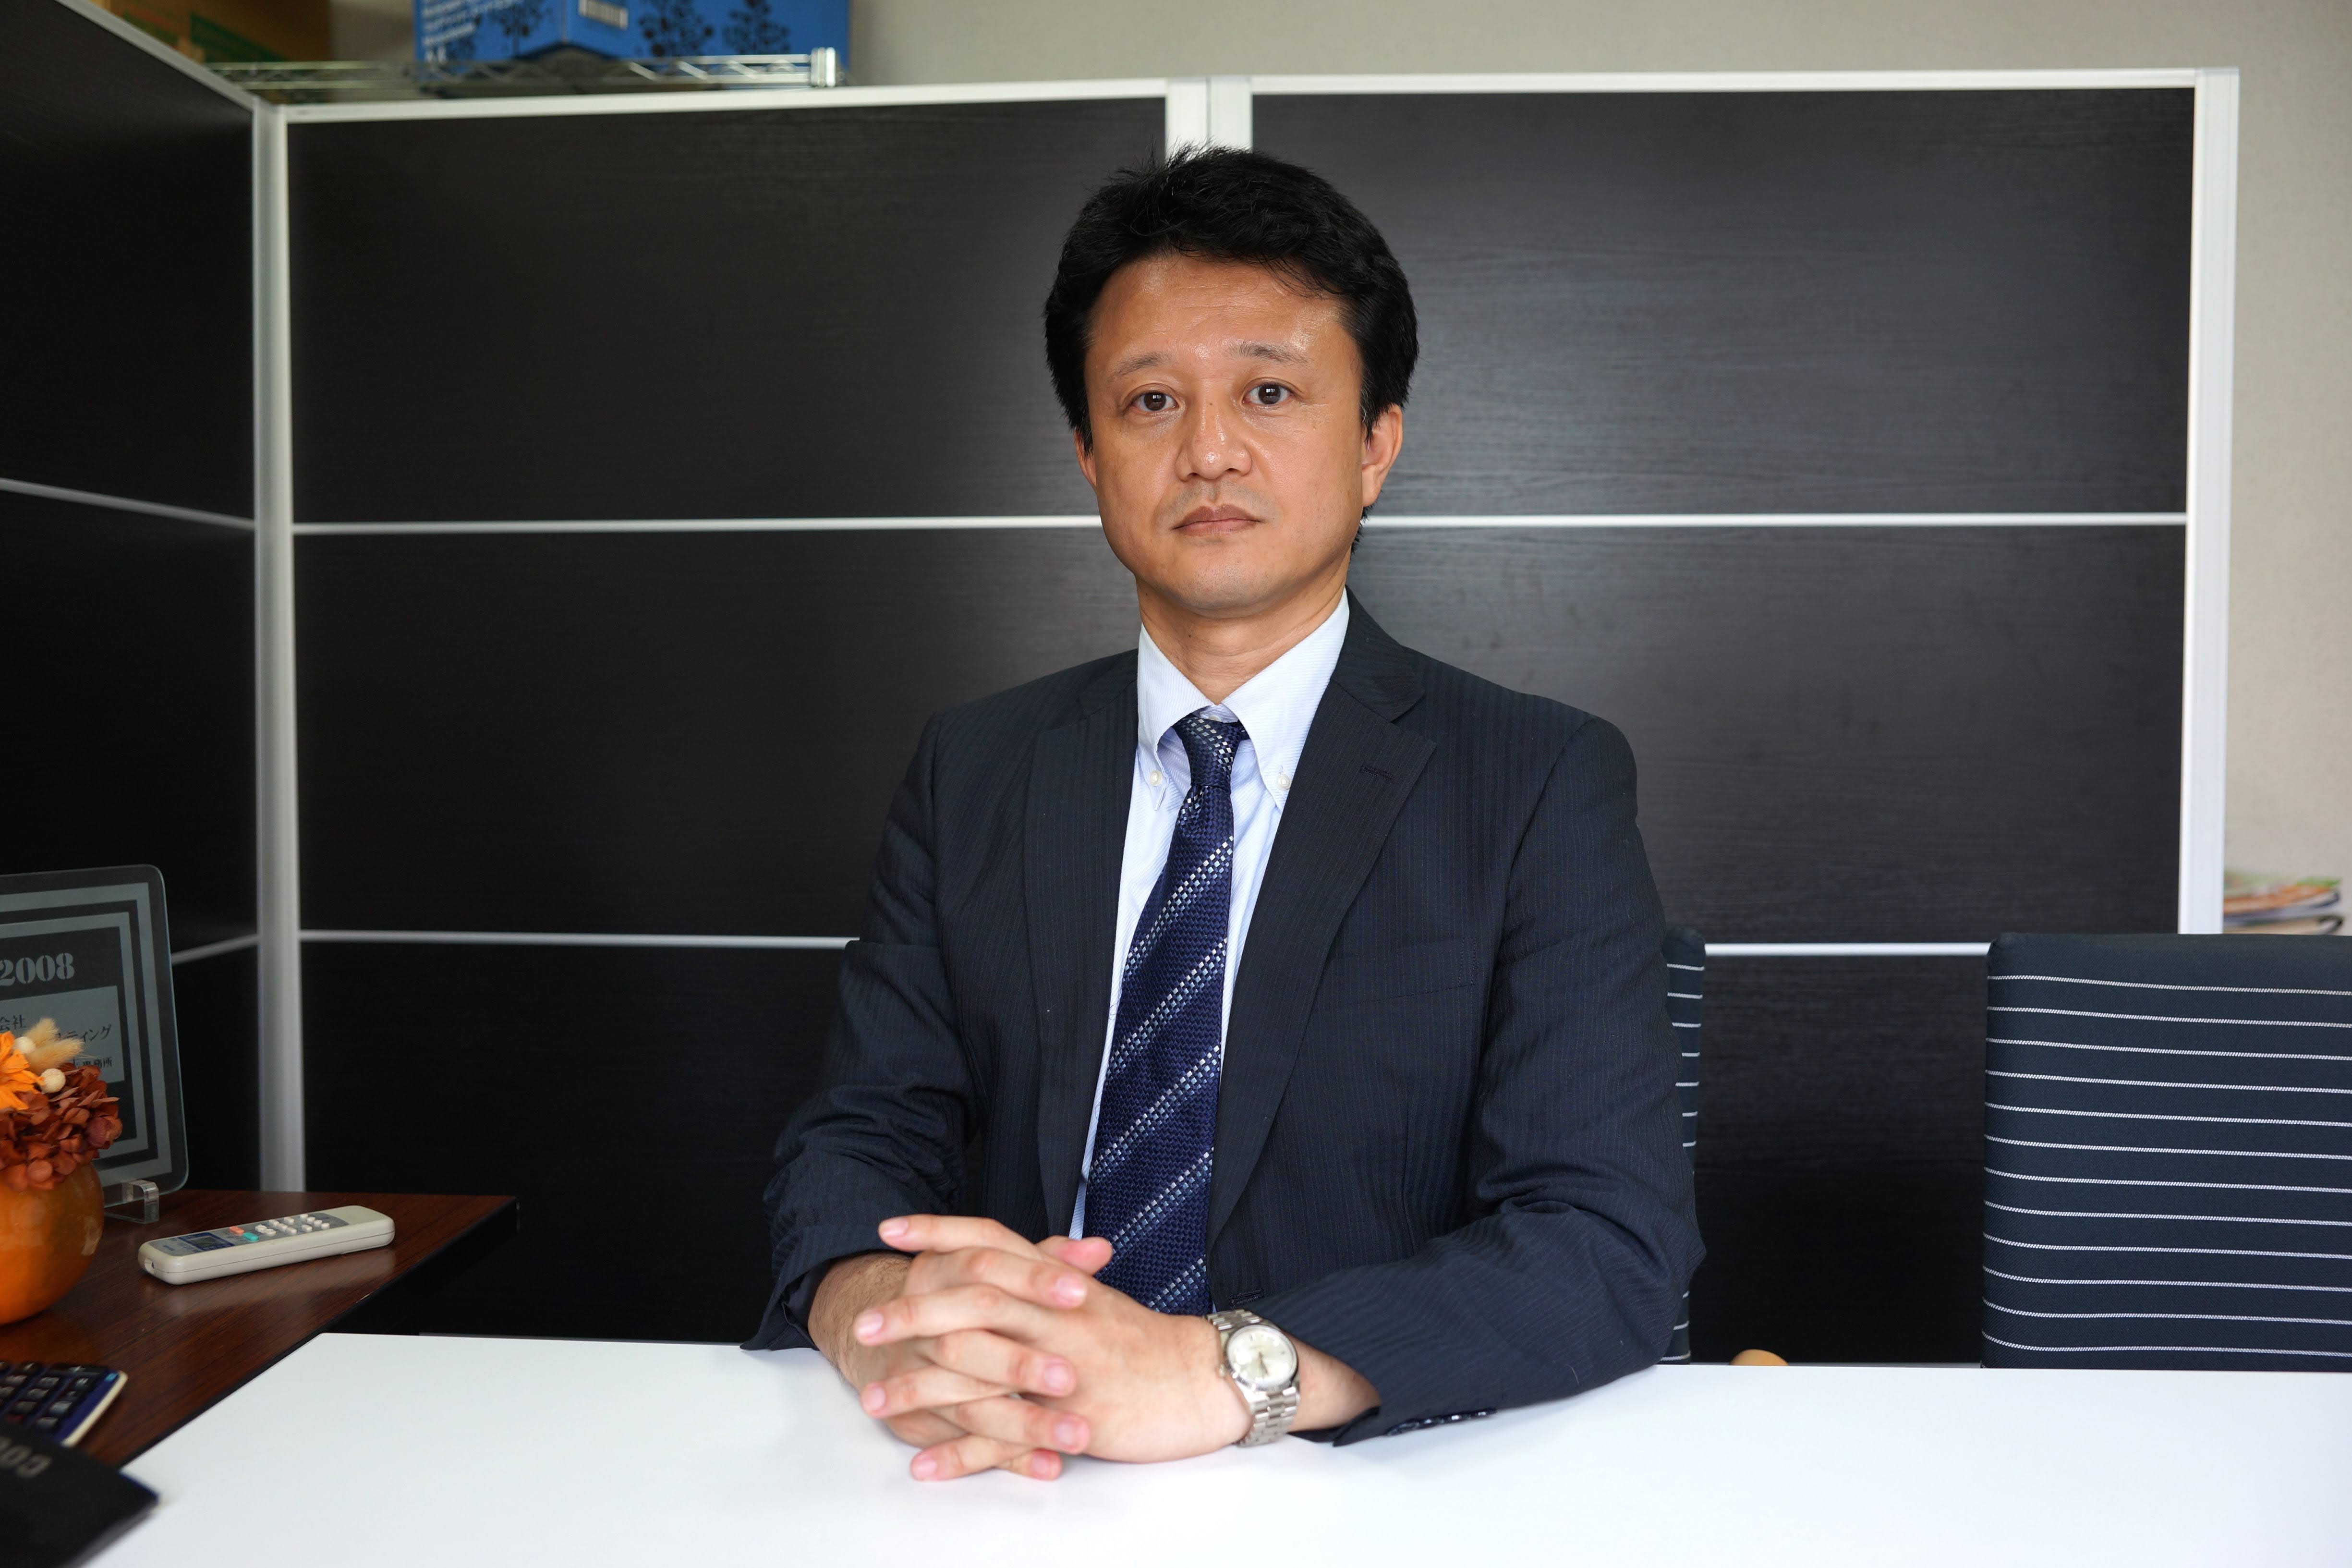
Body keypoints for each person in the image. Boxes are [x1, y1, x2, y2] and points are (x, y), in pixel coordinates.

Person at [748, 147, 1699, 1482]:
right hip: (1014, 1465)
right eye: (1150, 401)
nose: (1207, 451)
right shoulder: (979, 766)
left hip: (1366, 1479)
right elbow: (862, 1131)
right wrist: (873, 1310)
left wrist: (1216, 1374)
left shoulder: (1537, 778)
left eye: (1269, 391)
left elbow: (1606, 1238)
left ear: (1375, 444)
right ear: (1089, 455)